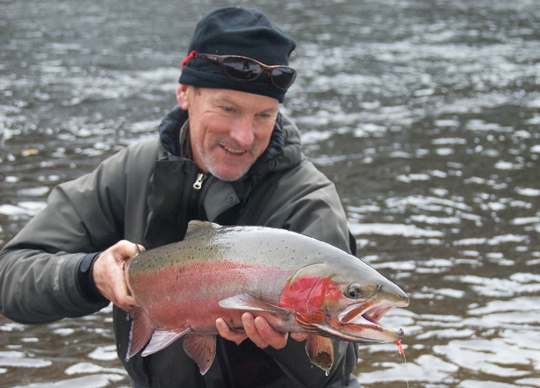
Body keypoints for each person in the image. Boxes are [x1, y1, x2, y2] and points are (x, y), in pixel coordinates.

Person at [0, 7, 359, 388]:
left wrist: (286, 340)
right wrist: (90, 276)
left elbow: (337, 366)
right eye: (228, 108)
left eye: (264, 115)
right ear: (184, 94)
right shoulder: (132, 172)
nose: (244, 135)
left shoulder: (308, 200)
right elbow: (11, 275)